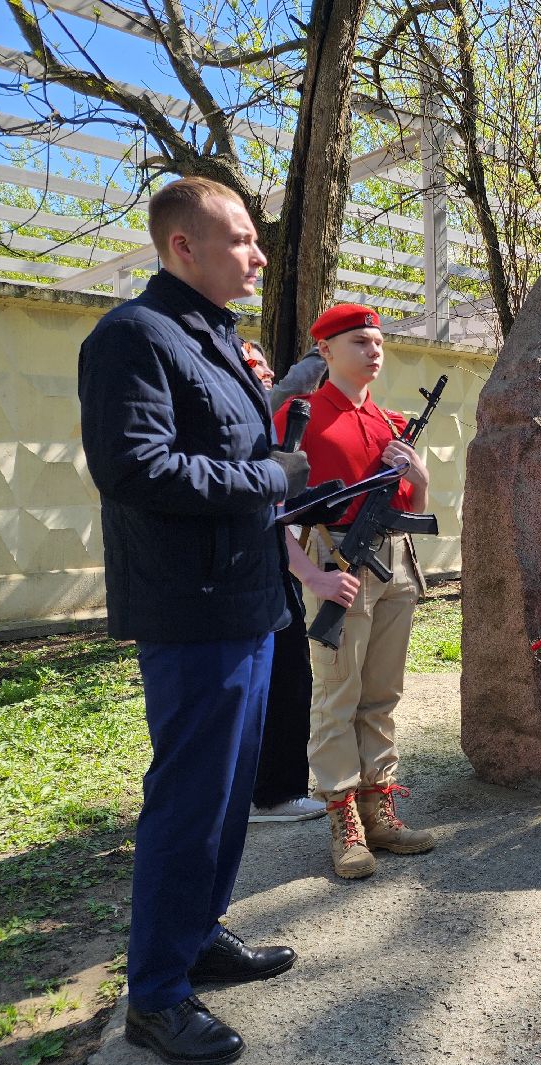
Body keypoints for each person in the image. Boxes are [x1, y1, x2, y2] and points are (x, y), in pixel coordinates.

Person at [79, 177, 304, 1065]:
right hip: (192, 611)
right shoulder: (133, 337)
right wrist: (274, 478)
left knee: (227, 793)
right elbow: (135, 469)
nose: (256, 254)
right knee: (187, 800)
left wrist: (288, 475)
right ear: (183, 248)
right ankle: (158, 996)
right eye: (242, 239)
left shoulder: (212, 337)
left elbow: (233, 454)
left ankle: (198, 934)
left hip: (247, 601)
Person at [276, 303, 436, 879]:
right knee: (337, 693)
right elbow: (271, 512)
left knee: (382, 693)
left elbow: (413, 508)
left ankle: (379, 810)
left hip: (393, 561)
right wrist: (310, 576)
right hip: (335, 558)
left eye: (378, 341)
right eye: (360, 342)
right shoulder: (302, 417)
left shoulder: (393, 422)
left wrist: (418, 477)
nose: (374, 351)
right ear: (325, 351)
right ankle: (343, 820)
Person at [235, 343, 327, 823]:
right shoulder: (241, 414)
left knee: (288, 671)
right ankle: (272, 794)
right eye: (255, 366)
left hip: (271, 554)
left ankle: (267, 787)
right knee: (280, 674)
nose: (266, 373)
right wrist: (294, 382)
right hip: (251, 558)